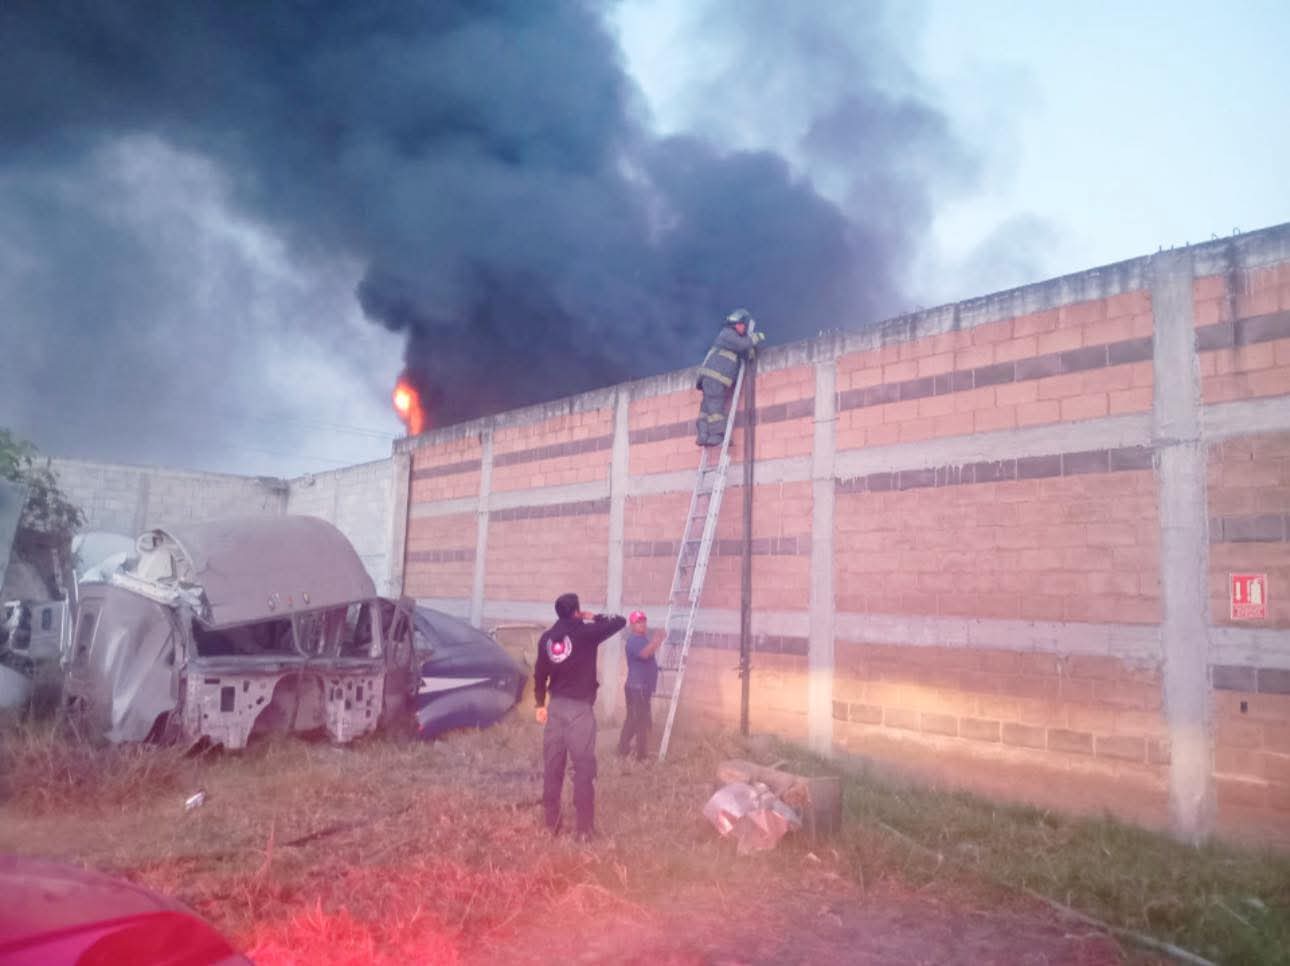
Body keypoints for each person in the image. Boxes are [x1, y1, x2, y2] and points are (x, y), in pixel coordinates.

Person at [534, 592, 627, 840]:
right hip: (579, 712)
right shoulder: (586, 633)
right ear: (576, 611)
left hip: (555, 709)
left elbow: (539, 676)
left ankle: (551, 824)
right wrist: (592, 616)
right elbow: (619, 621)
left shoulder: (546, 639)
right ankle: (584, 830)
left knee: (553, 767)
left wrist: (539, 704)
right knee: (583, 769)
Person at [695, 308, 766, 446]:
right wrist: (756, 337)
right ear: (736, 324)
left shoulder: (730, 340)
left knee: (706, 409)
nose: (743, 328)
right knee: (716, 407)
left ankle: (703, 436)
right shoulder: (727, 334)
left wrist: (750, 352)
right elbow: (742, 344)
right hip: (715, 379)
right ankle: (717, 436)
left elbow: (744, 353)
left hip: (710, 379)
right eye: (742, 325)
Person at [617, 610, 664, 761]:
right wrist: (657, 640)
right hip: (637, 687)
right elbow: (645, 654)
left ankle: (623, 749)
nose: (642, 624)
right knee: (640, 721)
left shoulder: (643, 639)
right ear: (632, 625)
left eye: (643, 621)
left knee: (633, 719)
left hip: (641, 687)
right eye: (638, 622)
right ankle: (641, 756)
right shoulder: (633, 641)